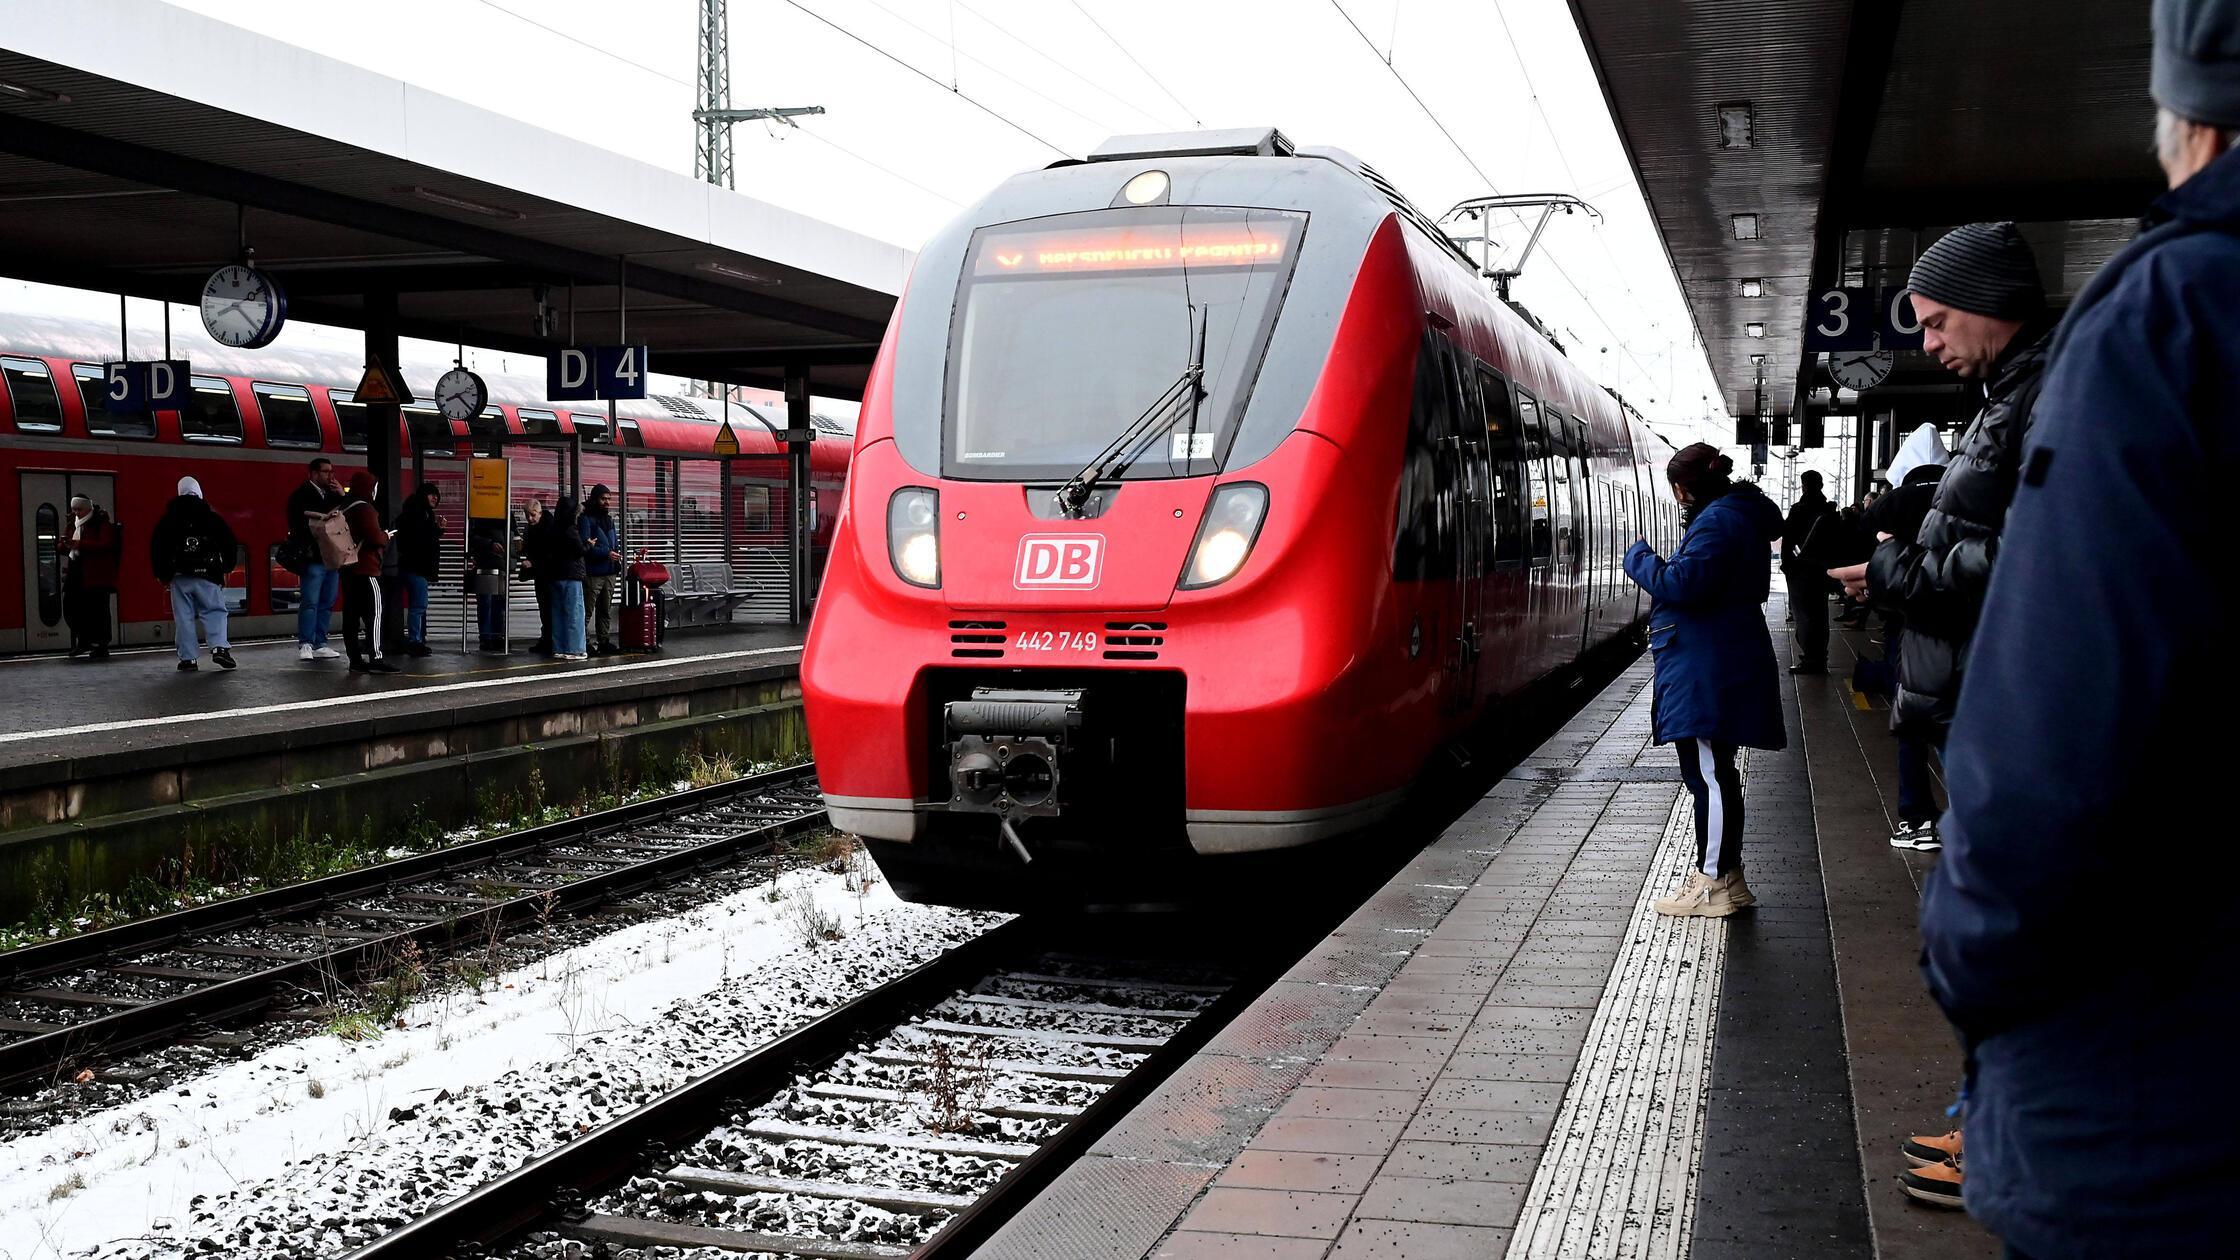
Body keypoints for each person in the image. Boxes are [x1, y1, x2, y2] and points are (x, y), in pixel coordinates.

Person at [1918, 4, 2240, 1253]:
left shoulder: (2166, 319)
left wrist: (1966, 957)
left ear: (2189, 124)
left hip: (2158, 1093)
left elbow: (2057, 729)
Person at [1830, 224, 2054, 754]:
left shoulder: (2055, 396)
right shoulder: (2009, 399)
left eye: (1937, 323)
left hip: (2029, 716)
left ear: (1987, 300)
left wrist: (1895, 570)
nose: (1928, 343)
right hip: (2001, 703)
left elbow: (2040, 558)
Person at [1623, 443, 1786, 917]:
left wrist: (1640, 558)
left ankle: (1713, 882)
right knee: (1712, 772)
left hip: (1708, 663)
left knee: (1709, 776)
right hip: (1715, 657)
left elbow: (1682, 584)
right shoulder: (1734, 515)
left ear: (1683, 488)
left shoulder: (1717, 521)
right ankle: (1728, 879)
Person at [148, 476, 237, 672]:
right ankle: (219, 648)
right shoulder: (211, 516)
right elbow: (228, 543)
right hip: (208, 574)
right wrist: (227, 565)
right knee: (214, 611)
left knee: (183, 617)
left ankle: (188, 659)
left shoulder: (168, 519)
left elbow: (157, 547)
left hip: (179, 575)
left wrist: (161, 573)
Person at [286, 456, 345, 662]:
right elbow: (297, 523)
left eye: (331, 471)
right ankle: (306, 643)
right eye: (326, 471)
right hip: (313, 555)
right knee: (310, 601)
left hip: (330, 556)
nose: (331, 475)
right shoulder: (300, 495)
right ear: (313, 473)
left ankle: (321, 642)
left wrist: (341, 495)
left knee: (327, 601)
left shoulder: (332, 494)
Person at [1778, 469, 1838, 673]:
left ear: (1803, 486)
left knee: (1804, 615)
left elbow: (1787, 539)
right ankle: (1820, 657)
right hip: (1822, 570)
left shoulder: (1799, 510)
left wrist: (1787, 566)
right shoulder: (1829, 510)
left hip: (1801, 571)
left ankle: (1811, 660)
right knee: (1820, 614)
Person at [340, 472, 399, 674]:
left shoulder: (345, 507)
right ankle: (376, 657)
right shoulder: (365, 509)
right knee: (374, 615)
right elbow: (375, 538)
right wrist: (385, 536)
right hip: (367, 569)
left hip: (348, 570)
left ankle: (355, 659)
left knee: (351, 616)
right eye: (374, 487)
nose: (375, 491)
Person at [61, 495, 121, 659]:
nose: (76, 512)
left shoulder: (101, 522)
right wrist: (65, 543)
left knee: (98, 610)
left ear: (88, 508)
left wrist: (80, 544)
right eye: (74, 509)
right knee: (71, 607)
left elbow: (106, 544)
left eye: (79, 509)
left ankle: (101, 645)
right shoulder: (73, 523)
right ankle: (84, 640)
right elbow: (65, 545)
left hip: (96, 574)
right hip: (77, 571)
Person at [394, 482, 444, 657]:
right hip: (416, 567)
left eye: (436, 496)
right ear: (424, 495)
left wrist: (437, 530)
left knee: (413, 605)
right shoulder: (420, 515)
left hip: (409, 566)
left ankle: (415, 639)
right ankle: (415, 641)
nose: (435, 498)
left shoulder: (416, 512)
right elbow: (421, 540)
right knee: (419, 605)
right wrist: (435, 530)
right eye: (432, 495)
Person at [544, 496, 589, 660]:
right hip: (571, 575)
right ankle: (575, 649)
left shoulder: (552, 529)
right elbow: (579, 550)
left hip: (555, 576)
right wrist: (589, 544)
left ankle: (559, 647)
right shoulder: (570, 529)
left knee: (558, 613)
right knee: (574, 613)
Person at [579, 483, 620, 656]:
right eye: (603, 499)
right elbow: (585, 546)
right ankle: (584, 642)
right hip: (594, 572)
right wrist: (607, 553)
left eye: (609, 499)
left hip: (609, 571)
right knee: (587, 610)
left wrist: (615, 555)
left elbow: (614, 542)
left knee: (605, 609)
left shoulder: (608, 520)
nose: (607, 502)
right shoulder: (585, 519)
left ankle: (603, 641)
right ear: (595, 499)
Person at [516, 498, 553, 655]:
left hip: (549, 575)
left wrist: (533, 563)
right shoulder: (530, 528)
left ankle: (549, 640)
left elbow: (550, 554)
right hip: (541, 575)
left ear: (540, 513)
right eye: (527, 515)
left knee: (548, 608)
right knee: (544, 608)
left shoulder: (549, 528)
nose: (530, 518)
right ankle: (546, 639)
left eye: (533, 515)